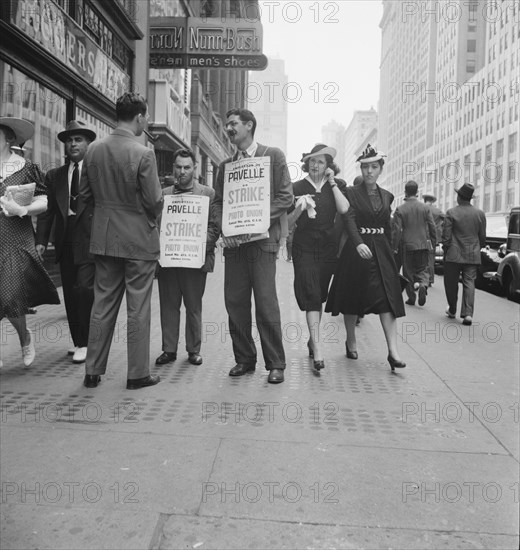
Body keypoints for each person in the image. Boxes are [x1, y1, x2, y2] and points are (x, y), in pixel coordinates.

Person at [79, 92, 163, 389]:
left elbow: (84, 198)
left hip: (105, 238)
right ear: (139, 117)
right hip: (139, 239)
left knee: (102, 304)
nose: (147, 121)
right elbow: (154, 200)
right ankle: (137, 374)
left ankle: (92, 371)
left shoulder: (93, 151)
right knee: (138, 308)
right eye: (147, 116)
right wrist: (150, 220)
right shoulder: (143, 153)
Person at [214, 108, 293, 384]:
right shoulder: (225, 166)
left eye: (234, 124)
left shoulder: (273, 156)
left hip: (262, 244)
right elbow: (218, 203)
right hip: (235, 245)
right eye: (227, 125)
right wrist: (223, 227)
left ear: (249, 126)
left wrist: (257, 219)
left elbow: (286, 197)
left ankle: (276, 363)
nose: (229, 129)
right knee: (234, 302)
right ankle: (244, 359)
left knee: (265, 303)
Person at [325, 144, 406, 372]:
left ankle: (393, 351)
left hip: (381, 251)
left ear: (381, 169)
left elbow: (387, 227)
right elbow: (348, 219)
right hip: (357, 249)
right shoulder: (350, 193)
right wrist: (358, 242)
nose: (369, 171)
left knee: (388, 299)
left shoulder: (388, 196)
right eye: (365, 167)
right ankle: (351, 339)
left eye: (373, 167)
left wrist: (391, 254)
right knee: (353, 296)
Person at [0, 117, 59, 367]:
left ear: (9, 139)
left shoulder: (25, 167)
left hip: (15, 234)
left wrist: (20, 209)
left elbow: (44, 202)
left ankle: (25, 338)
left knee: (10, 294)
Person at [36, 121, 97, 364]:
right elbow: (48, 212)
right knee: (71, 294)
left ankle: (88, 342)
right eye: (70, 140)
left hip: (90, 239)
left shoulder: (96, 173)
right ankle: (79, 341)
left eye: (79, 139)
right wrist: (41, 241)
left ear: (88, 144)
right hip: (65, 239)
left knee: (84, 289)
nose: (73, 144)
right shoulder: (55, 176)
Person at [155, 148, 220, 367]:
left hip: (195, 260)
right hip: (169, 260)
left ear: (195, 168)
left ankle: (194, 350)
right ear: (173, 168)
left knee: (194, 306)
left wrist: (200, 246)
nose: (182, 172)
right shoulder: (164, 194)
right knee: (168, 305)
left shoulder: (207, 194)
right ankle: (169, 349)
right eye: (178, 167)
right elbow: (156, 225)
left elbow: (214, 226)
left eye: (187, 167)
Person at [288, 143, 349, 371]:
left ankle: (312, 340)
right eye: (312, 161)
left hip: (327, 247)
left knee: (319, 295)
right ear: (306, 163)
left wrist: (332, 183)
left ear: (328, 166)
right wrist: (299, 208)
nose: (315, 165)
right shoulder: (296, 187)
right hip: (304, 245)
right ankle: (318, 349)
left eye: (321, 162)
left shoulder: (338, 186)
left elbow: (344, 209)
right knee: (312, 293)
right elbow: (287, 223)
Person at [442, 183, 486, 326]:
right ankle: (468, 314)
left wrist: (445, 248)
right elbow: (482, 237)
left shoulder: (451, 212)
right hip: (472, 253)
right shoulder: (480, 214)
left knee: (451, 283)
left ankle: (452, 309)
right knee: (469, 282)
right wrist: (478, 247)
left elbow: (446, 236)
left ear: (459, 197)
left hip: (454, 254)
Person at [393, 180, 436, 306]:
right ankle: (423, 284)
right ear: (417, 192)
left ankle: (411, 298)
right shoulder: (425, 207)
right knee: (422, 269)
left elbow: (397, 230)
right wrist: (433, 242)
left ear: (405, 192)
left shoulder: (400, 209)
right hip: (422, 244)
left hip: (407, 245)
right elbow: (432, 226)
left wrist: (394, 246)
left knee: (408, 272)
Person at [422, 193, 445, 286]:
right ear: (432, 201)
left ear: (425, 200)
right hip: (432, 238)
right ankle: (430, 279)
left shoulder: (421, 209)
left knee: (422, 258)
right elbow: (446, 219)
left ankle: (423, 279)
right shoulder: (437, 210)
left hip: (421, 237)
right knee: (431, 259)